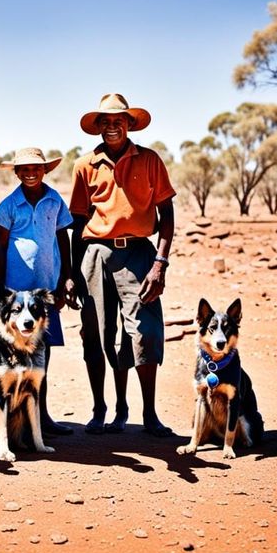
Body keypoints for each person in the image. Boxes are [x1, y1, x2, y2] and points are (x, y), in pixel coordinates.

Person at [68, 93, 176, 437]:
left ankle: (148, 413)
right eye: (106, 121)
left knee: (144, 332)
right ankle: (103, 409)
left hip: (140, 255)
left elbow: (167, 215)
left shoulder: (150, 160)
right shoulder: (85, 165)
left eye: (119, 120)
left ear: (129, 124)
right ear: (98, 127)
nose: (112, 126)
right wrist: (71, 274)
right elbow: (76, 222)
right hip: (95, 254)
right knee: (97, 335)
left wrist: (160, 263)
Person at [0, 146, 75, 437]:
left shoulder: (54, 200)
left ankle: (42, 414)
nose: (30, 174)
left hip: (46, 292)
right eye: (24, 170)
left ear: (45, 171)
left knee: (43, 354)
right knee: (12, 355)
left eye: (36, 169)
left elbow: (62, 237)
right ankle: (13, 415)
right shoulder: (9, 205)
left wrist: (66, 277)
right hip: (15, 295)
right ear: (16, 173)